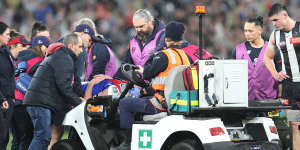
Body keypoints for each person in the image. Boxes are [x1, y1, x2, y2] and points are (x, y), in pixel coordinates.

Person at [114, 21, 190, 150]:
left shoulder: (164, 56)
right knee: (137, 102)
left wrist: (143, 71)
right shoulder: (184, 56)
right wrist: (146, 90)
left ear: (166, 38)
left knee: (125, 103)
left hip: (159, 103)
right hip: (175, 101)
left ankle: (127, 143)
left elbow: (148, 73)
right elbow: (164, 82)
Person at [24, 33, 85, 150]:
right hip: (40, 102)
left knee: (43, 137)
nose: (82, 50)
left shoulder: (61, 56)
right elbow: (64, 87)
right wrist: (79, 102)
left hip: (39, 100)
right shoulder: (65, 59)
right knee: (42, 137)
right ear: (71, 46)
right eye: (80, 46)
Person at [264, 3, 300, 149]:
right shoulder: (275, 35)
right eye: (272, 21)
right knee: (295, 124)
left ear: (285, 15)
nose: (274, 24)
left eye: (276, 20)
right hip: (289, 86)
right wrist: (275, 74)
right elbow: (267, 58)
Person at [233, 16, 281, 100]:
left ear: (260, 31)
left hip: (269, 102)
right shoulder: (237, 51)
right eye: (245, 30)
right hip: (245, 102)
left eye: (250, 31)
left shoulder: (273, 50)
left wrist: (280, 99)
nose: (247, 34)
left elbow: (281, 77)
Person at [114, 9, 166, 79]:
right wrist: (112, 81)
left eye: (141, 26)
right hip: (140, 85)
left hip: (159, 86)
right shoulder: (133, 42)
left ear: (150, 21)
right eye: (136, 27)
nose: (138, 30)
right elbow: (125, 66)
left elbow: (162, 64)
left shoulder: (164, 37)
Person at [0, 21, 13, 150]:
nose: (9, 37)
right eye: (7, 34)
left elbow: (9, 76)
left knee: (5, 137)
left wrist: (11, 97)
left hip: (8, 99)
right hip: (2, 100)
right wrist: (2, 98)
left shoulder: (5, 51)